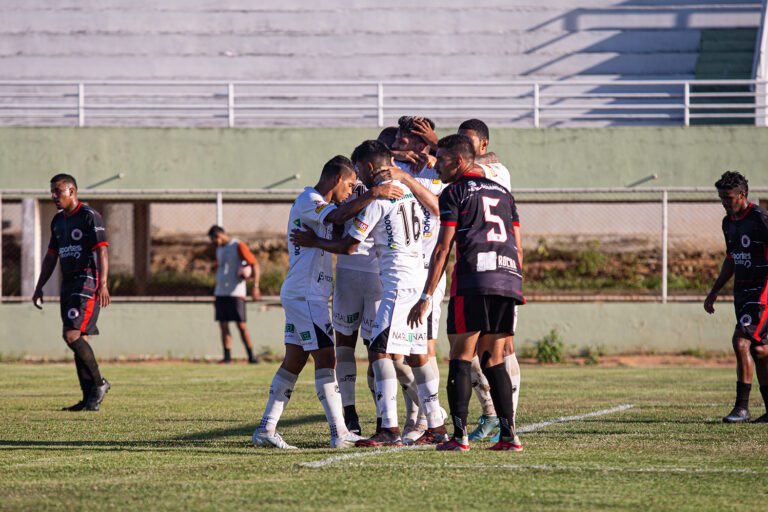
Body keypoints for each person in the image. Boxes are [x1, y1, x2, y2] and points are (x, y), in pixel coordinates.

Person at [291, 140, 449, 447]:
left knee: (379, 350)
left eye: (360, 171)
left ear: (368, 168)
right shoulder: (407, 193)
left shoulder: (379, 199)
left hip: (397, 284)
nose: (359, 180)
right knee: (417, 355)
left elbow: (349, 245)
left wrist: (315, 241)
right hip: (418, 280)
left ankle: (389, 428)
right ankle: (437, 426)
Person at [253, 155, 404, 449]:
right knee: (326, 359)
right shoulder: (309, 199)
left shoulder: (323, 207)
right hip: (306, 294)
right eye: (349, 185)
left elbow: (337, 225)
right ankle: (340, 432)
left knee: (294, 360)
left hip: (307, 294)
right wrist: (374, 193)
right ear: (336, 179)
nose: (351, 191)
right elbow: (336, 218)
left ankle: (265, 429)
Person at [408, 134, 524, 451]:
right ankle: (509, 436)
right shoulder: (503, 193)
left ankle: (458, 437)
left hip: (474, 278)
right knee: (494, 359)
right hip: (508, 278)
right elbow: (518, 245)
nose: (436, 166)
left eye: (441, 159)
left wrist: (426, 296)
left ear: (459, 161)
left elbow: (443, 248)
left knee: (461, 355)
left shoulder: (453, 192)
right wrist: (514, 280)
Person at [457, 118, 522, 441]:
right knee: (469, 348)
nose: (465, 149)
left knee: (502, 348)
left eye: (471, 143)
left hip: (501, 268)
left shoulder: (498, 171)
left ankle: (508, 420)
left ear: (483, 145)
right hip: (474, 270)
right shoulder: (466, 174)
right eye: (460, 143)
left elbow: (481, 165)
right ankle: (490, 414)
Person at [32, 173, 111, 411]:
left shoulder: (89, 216)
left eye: (58, 191)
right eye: (52, 192)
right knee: (79, 337)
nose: (54, 196)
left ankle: (99, 383)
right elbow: (51, 256)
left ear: (72, 191)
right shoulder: (57, 221)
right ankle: (89, 399)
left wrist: (103, 283)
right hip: (68, 283)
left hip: (87, 280)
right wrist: (39, 285)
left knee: (72, 335)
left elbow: (102, 251)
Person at [704, 171, 768, 423]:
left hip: (762, 293)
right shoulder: (728, 222)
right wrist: (714, 290)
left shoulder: (760, 218)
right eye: (721, 197)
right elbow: (731, 259)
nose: (724, 202)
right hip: (742, 293)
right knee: (760, 350)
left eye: (727, 197)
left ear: (742, 194)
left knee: (741, 341)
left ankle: (741, 408)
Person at [208, 225, 261, 364]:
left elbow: (254, 264)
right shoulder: (219, 249)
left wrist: (255, 286)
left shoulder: (238, 245)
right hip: (220, 292)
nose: (213, 243)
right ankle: (227, 358)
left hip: (236, 292)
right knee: (223, 325)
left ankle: (251, 356)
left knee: (241, 325)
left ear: (218, 236)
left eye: (213, 240)